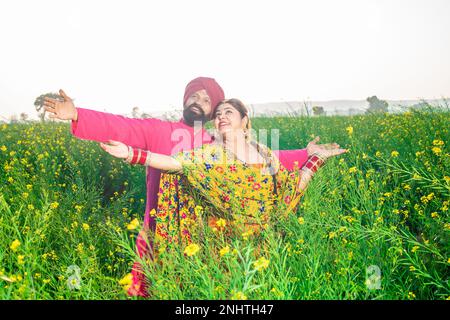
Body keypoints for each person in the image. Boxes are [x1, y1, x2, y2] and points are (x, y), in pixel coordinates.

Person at [43, 77, 341, 296]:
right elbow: (123, 127)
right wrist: (78, 114)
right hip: (158, 234)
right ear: (184, 101)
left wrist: (308, 154)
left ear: (215, 111)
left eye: (207, 98)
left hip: (209, 243)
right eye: (193, 95)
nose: (198, 100)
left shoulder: (222, 143)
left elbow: (269, 161)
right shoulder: (161, 130)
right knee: (148, 289)